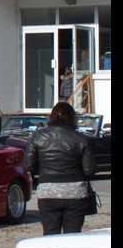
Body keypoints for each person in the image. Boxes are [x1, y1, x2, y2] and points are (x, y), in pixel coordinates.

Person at [23, 101, 96, 235]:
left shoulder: (38, 137)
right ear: (72, 118)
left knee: (50, 235)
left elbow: (28, 165)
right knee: (73, 236)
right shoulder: (82, 139)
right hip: (75, 192)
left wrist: (45, 169)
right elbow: (89, 170)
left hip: (48, 190)